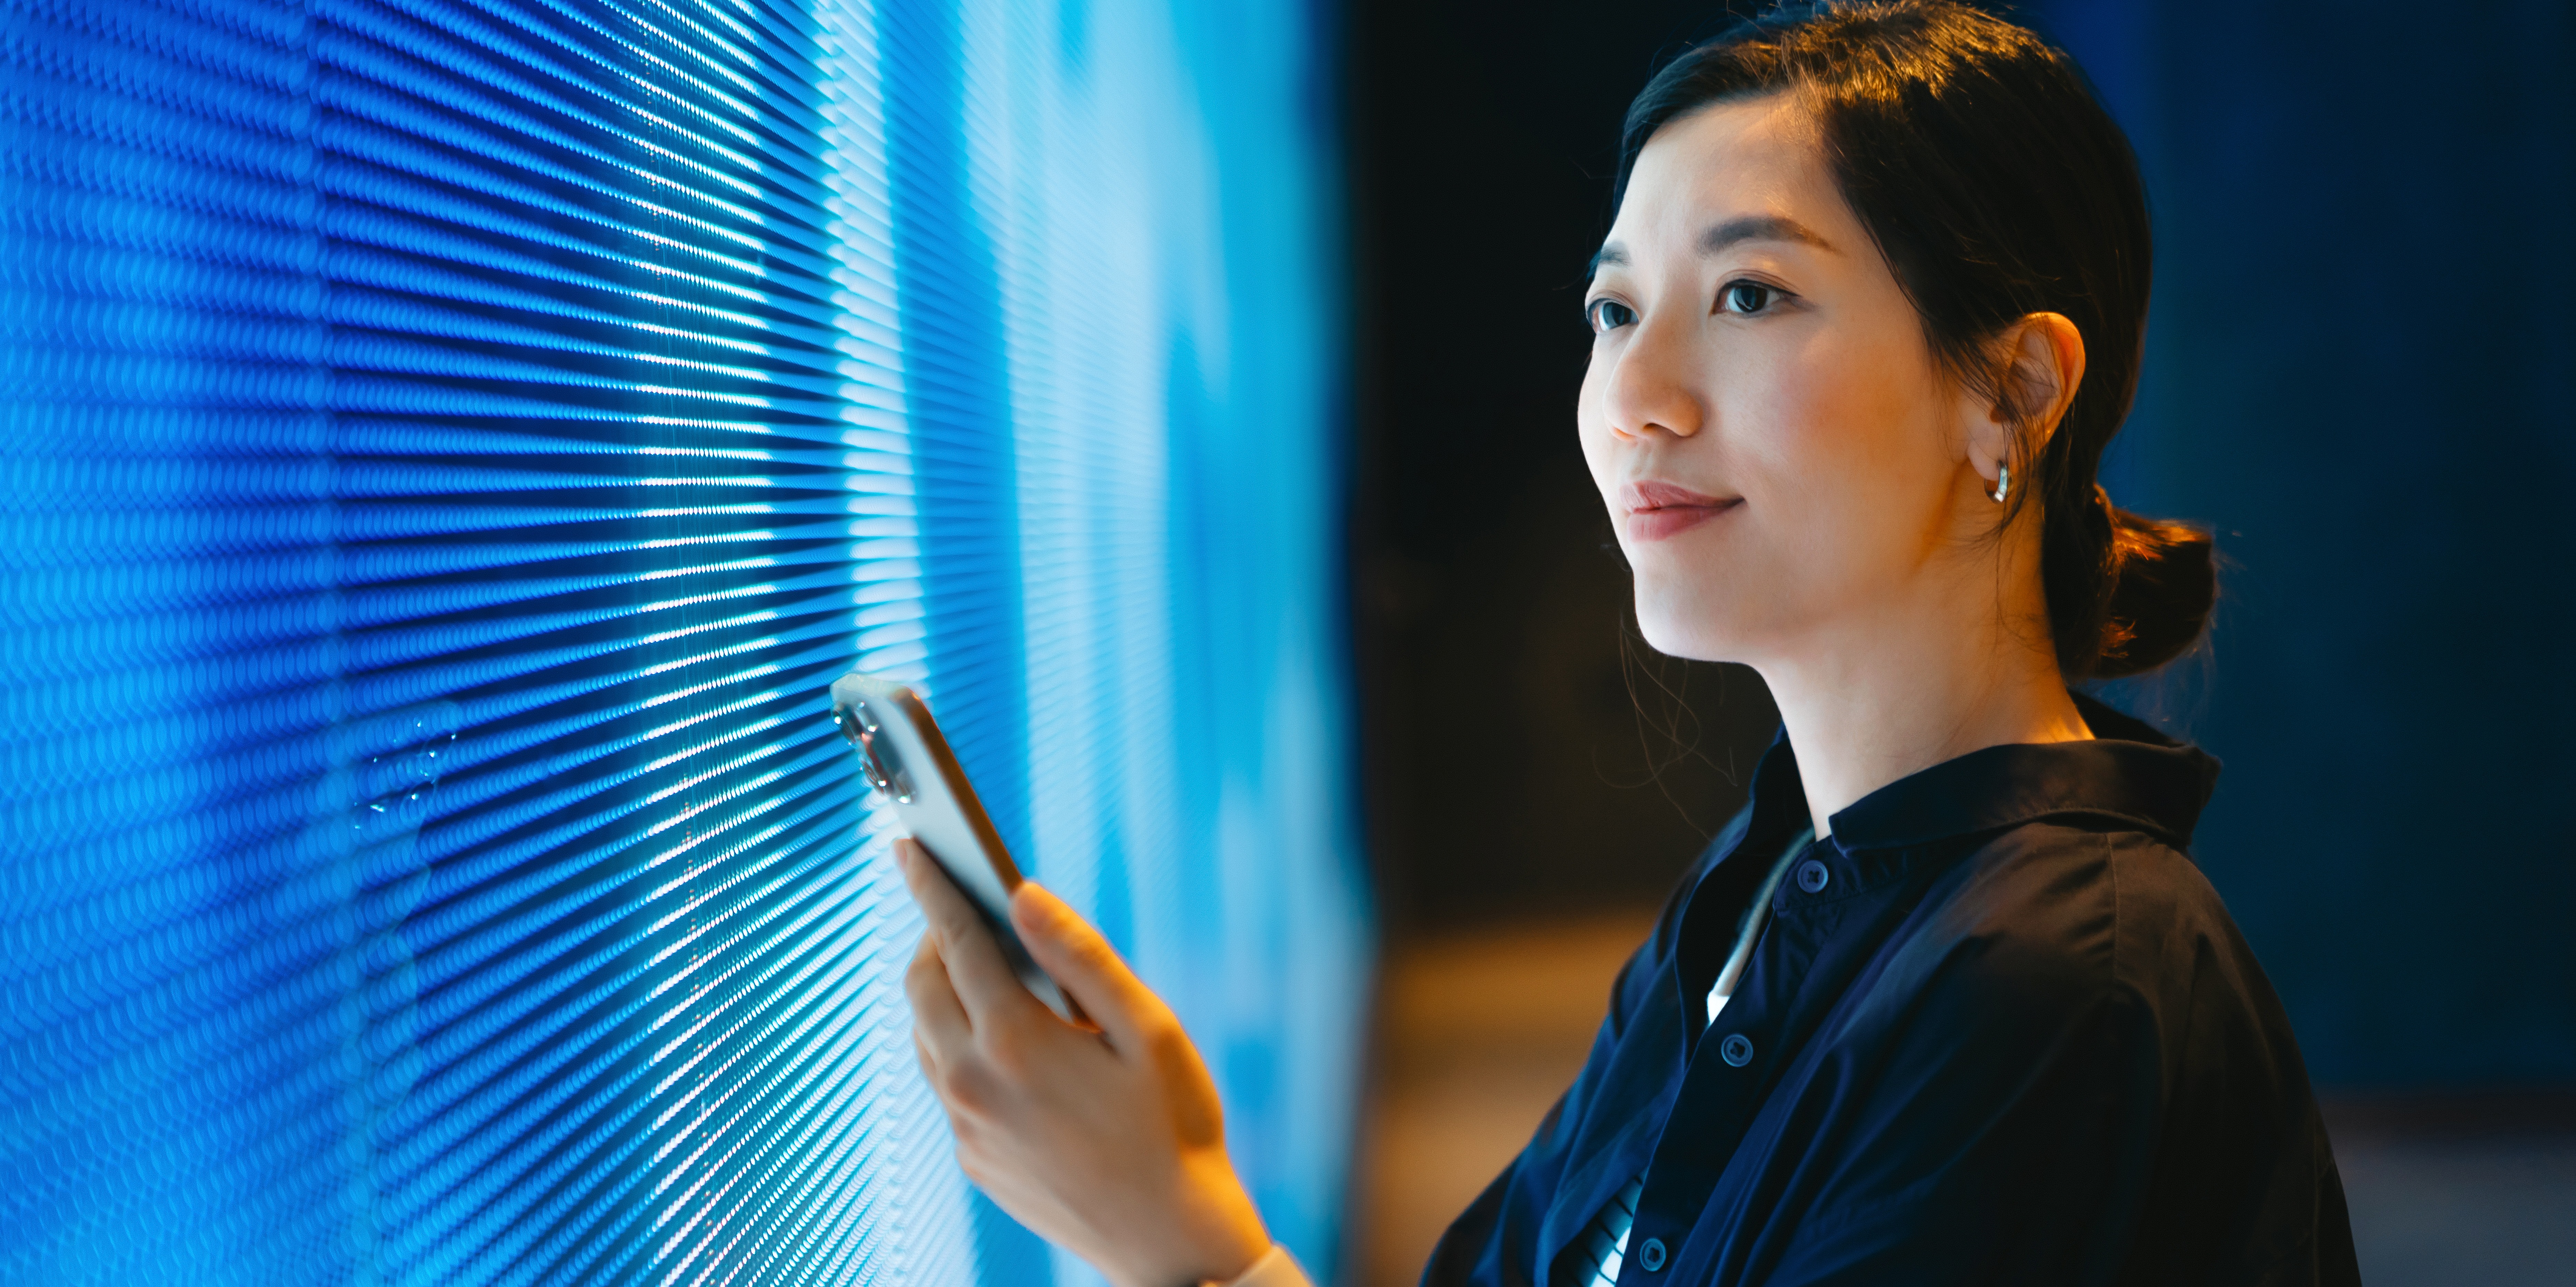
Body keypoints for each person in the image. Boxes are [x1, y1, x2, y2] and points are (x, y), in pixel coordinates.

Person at [890, 2, 2361, 1283]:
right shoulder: (1777, 877)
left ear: (2013, 395)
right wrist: (1194, 1209)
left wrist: (1180, 1245)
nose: (1633, 397)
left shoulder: (2051, 989)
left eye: (1750, 295)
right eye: (1614, 307)